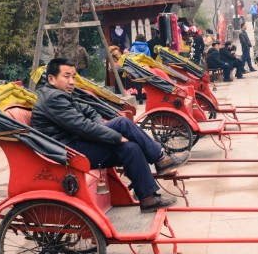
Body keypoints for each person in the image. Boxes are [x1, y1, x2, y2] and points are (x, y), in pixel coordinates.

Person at [31, 58, 190, 213]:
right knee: (122, 123)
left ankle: (148, 198)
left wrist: (102, 128)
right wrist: (116, 137)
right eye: (66, 76)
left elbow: (89, 111)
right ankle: (161, 159)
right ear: (51, 79)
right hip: (68, 151)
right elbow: (82, 126)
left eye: (73, 76)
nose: (72, 81)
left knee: (131, 147)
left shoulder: (59, 94)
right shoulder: (53, 98)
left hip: (77, 144)